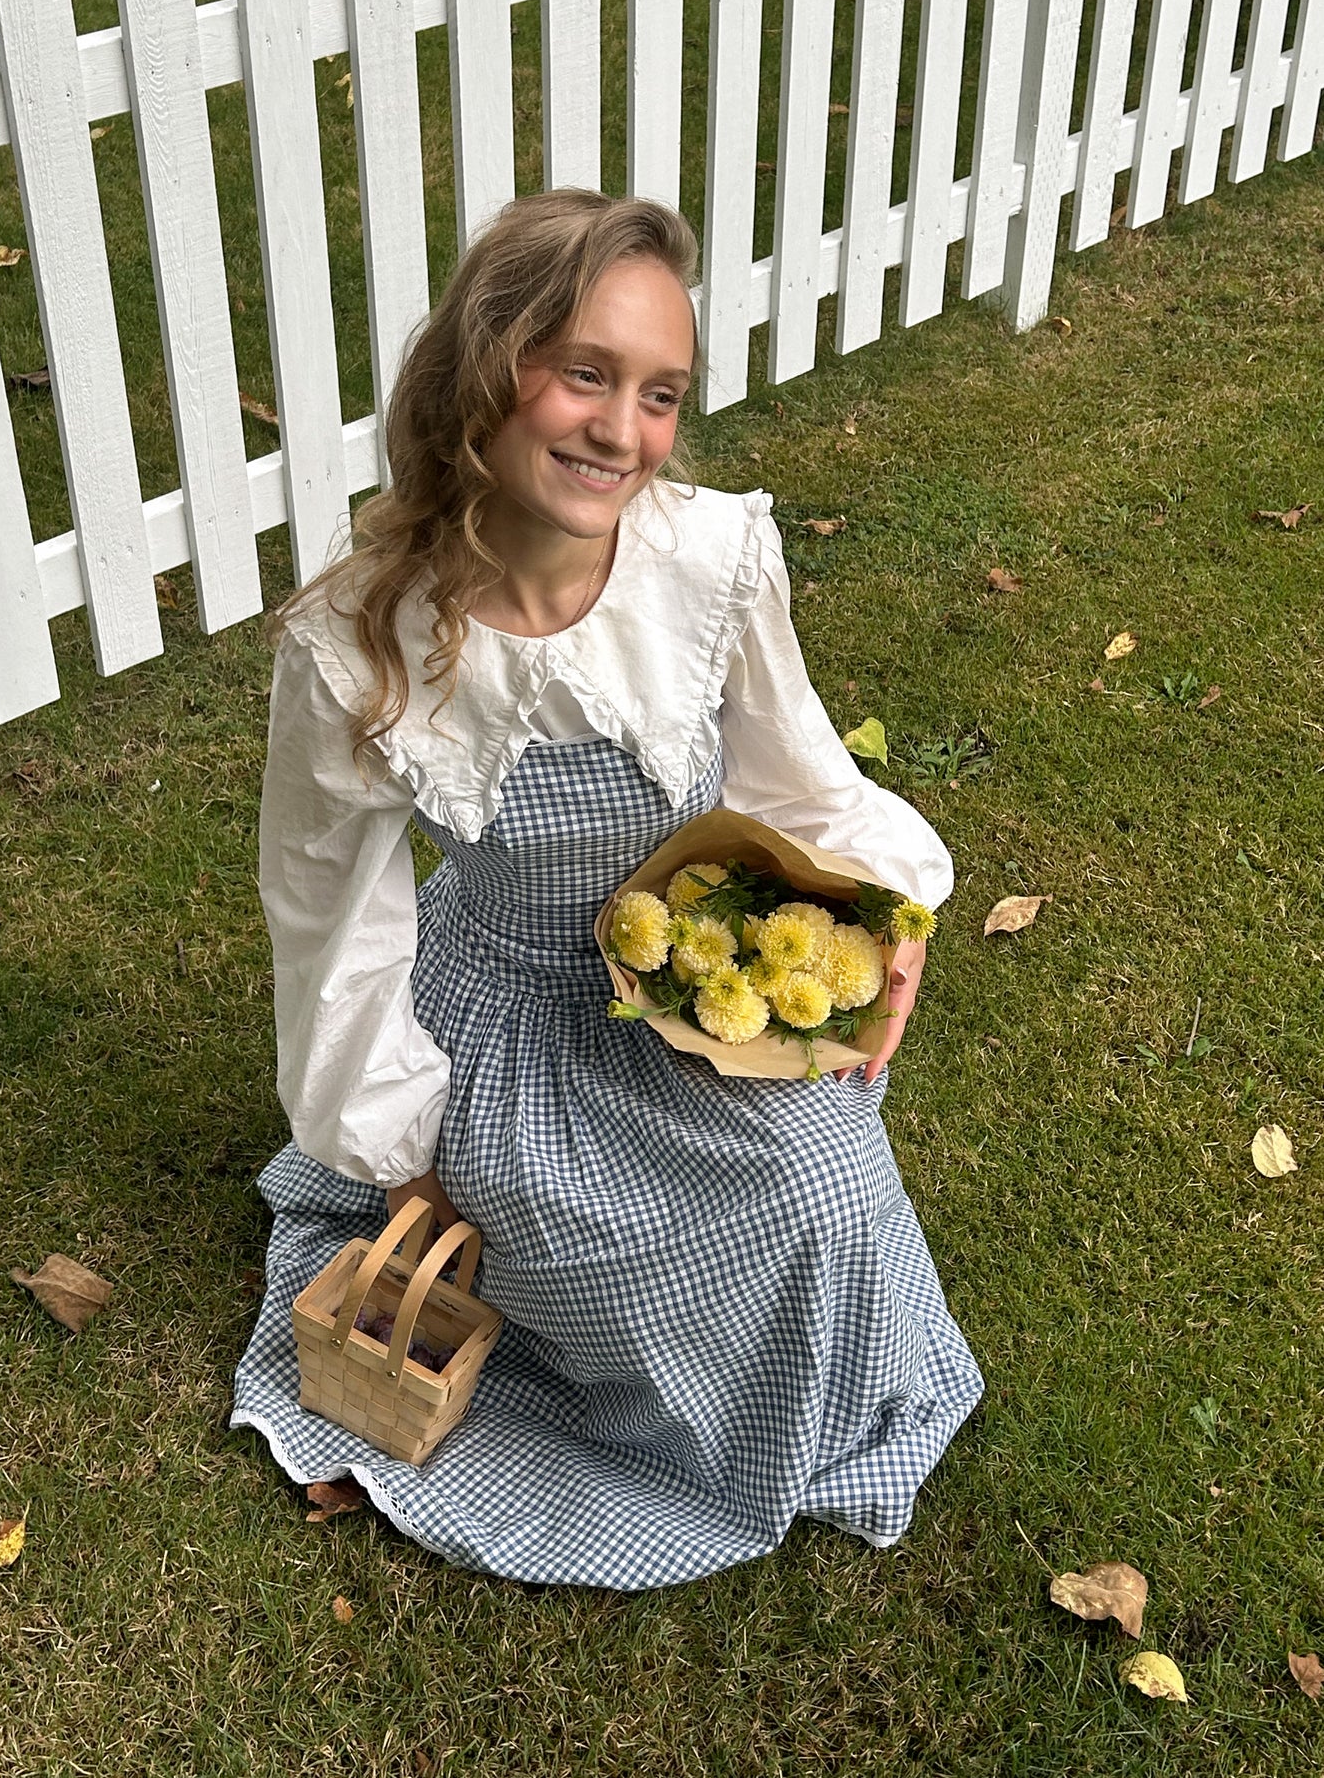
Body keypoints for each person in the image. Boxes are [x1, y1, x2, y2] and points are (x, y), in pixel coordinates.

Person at [231, 189, 982, 1589]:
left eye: (658, 393)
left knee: (820, 1184)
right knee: (600, 1232)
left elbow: (799, 782)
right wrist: (406, 1144)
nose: (620, 431)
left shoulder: (707, 559)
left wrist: (892, 909)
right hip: (507, 1016)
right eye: (583, 373)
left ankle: (798, 1413)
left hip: (691, 986)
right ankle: (631, 1395)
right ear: (484, 366)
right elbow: (331, 924)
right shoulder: (357, 645)